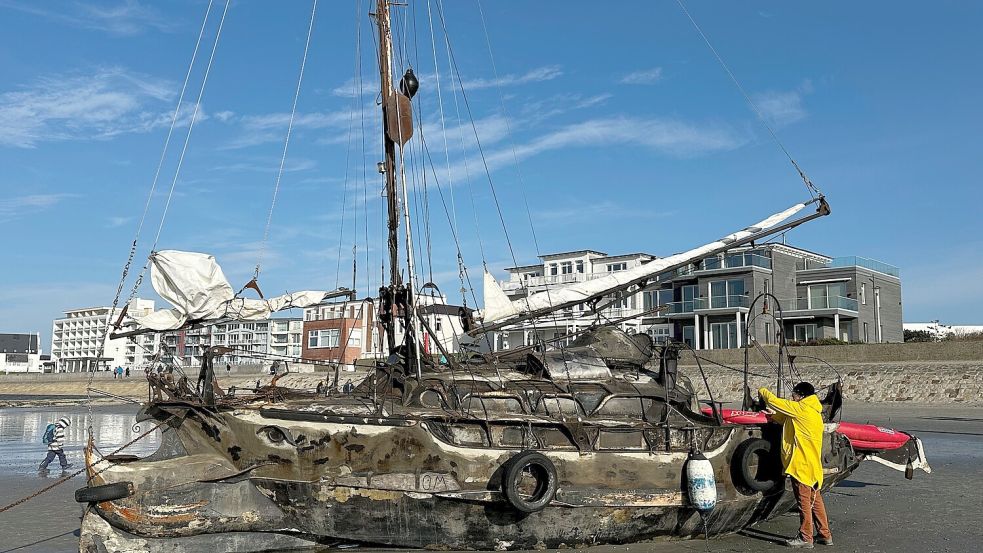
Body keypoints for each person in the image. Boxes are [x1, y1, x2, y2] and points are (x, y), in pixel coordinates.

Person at [759, 382, 833, 548]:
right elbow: (788, 419)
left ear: (801, 395)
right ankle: (825, 534)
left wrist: (762, 391)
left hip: (801, 466)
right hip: (813, 466)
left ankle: (806, 538)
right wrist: (773, 416)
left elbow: (774, 401)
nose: (792, 397)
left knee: (804, 502)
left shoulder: (801, 409)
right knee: (816, 501)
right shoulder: (812, 412)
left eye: (794, 395)